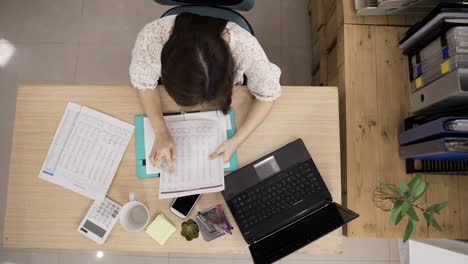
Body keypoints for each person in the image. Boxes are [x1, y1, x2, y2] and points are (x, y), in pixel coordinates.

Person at [129, 13, 281, 172]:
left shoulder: (246, 46)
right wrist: (160, 132)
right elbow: (144, 84)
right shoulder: (150, 38)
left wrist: (236, 140)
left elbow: (268, 95)